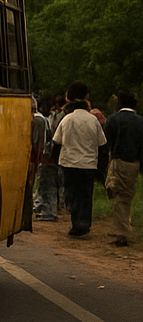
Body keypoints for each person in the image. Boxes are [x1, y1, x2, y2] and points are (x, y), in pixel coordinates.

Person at [52, 82, 108, 237]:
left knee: (72, 193)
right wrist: (101, 165)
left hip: (69, 163)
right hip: (88, 164)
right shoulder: (93, 120)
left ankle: (76, 222)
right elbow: (102, 144)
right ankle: (83, 223)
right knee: (85, 194)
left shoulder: (67, 120)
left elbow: (56, 142)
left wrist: (56, 161)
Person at [104, 90, 142, 246]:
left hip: (118, 160)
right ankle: (123, 225)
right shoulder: (140, 121)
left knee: (119, 195)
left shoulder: (114, 119)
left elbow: (107, 141)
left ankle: (122, 232)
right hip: (134, 163)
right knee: (125, 194)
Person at [33, 93, 60, 221]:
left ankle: (48, 211)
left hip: (47, 156)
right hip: (48, 156)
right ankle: (44, 207)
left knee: (47, 184)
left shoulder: (43, 119)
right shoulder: (46, 119)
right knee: (45, 183)